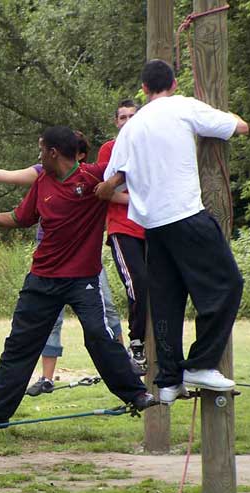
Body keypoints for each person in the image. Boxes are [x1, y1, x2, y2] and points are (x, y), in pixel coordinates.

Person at [0, 126, 155, 433]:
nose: (39, 156)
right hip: (42, 279)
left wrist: (112, 185)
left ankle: (136, 394)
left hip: (83, 280)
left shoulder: (93, 175)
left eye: (41, 150)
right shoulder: (42, 182)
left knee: (98, 333)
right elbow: (18, 219)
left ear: (53, 152)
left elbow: (134, 161)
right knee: (19, 345)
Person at [97, 60, 249, 404]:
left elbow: (108, 183)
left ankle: (168, 379)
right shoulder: (182, 106)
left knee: (166, 302)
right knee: (227, 285)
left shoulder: (131, 129)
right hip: (185, 216)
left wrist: (137, 187)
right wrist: (233, 116)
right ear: (174, 83)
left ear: (144, 89)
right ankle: (202, 364)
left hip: (152, 229)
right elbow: (240, 127)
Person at [97, 99, 148, 375]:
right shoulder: (110, 149)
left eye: (132, 116)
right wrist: (140, 199)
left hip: (154, 226)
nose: (128, 121)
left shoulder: (151, 146)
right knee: (138, 282)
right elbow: (104, 191)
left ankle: (162, 349)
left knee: (162, 288)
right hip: (123, 227)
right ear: (116, 122)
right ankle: (137, 343)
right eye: (123, 117)